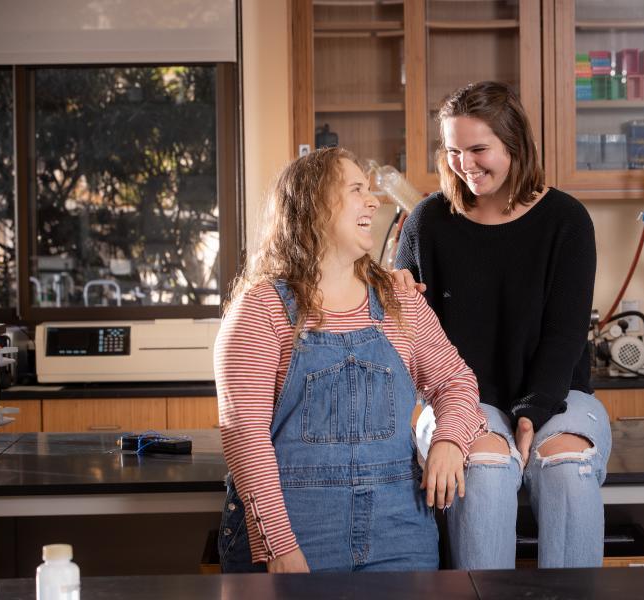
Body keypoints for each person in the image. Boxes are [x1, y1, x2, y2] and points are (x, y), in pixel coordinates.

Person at [215, 147, 486, 573]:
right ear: (311, 205)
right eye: (356, 189)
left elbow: (455, 382)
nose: (374, 200)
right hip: (297, 528)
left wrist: (450, 440)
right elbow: (245, 439)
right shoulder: (260, 310)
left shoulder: (400, 301)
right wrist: (279, 546)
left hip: (400, 529)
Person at [394, 81, 612, 569]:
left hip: (556, 391)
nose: (465, 164)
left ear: (514, 145)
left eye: (478, 149)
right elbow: (403, 331)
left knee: (565, 465)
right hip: (463, 398)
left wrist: (534, 408)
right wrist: (393, 300)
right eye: (453, 151)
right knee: (486, 468)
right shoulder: (427, 222)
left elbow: (566, 332)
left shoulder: (567, 221)